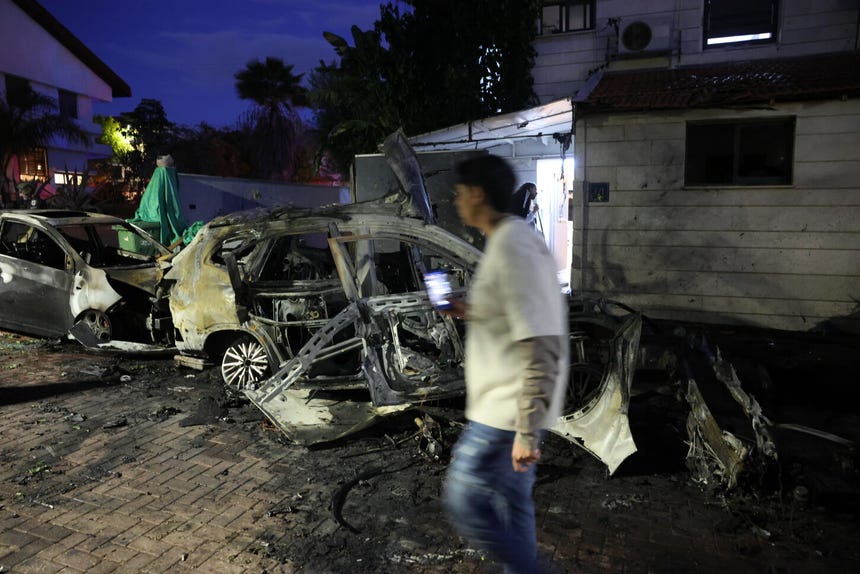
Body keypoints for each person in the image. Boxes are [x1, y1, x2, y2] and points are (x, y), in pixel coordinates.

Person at [442, 155, 569, 573]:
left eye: (460, 194)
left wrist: (527, 430)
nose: (457, 201)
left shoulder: (513, 245)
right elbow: (513, 316)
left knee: (464, 499)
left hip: (505, 414)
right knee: (513, 505)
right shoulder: (506, 240)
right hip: (511, 411)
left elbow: (542, 341)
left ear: (477, 194)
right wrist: (468, 310)